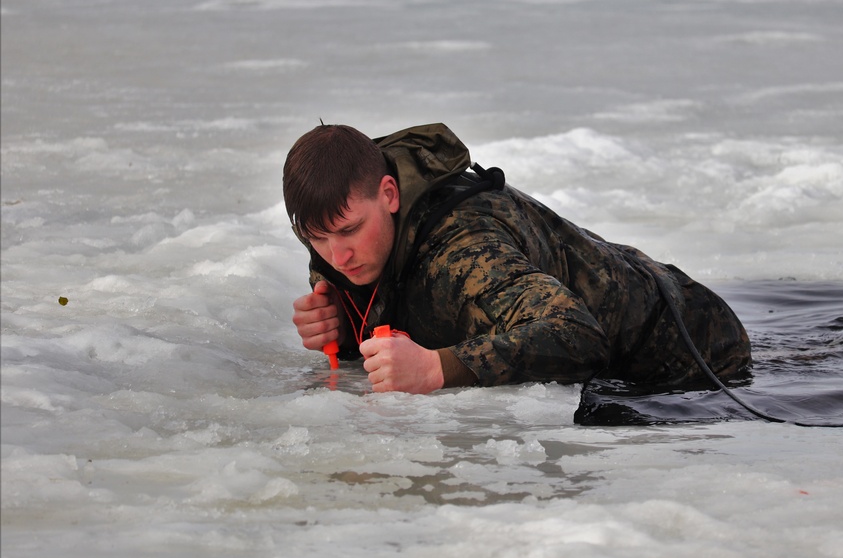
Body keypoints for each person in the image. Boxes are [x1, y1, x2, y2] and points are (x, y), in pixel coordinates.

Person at [284, 122, 751, 394]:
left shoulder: (464, 250)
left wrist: (435, 368)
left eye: (349, 231)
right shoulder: (338, 241)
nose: (337, 256)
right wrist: (346, 331)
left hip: (692, 349)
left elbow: (578, 335)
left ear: (388, 194)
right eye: (317, 238)